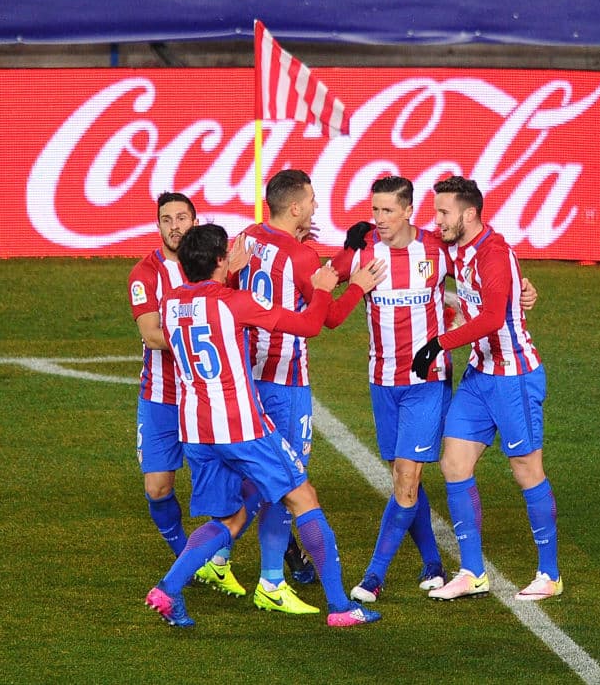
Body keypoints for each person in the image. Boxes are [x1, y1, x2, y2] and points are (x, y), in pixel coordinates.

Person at [145, 223, 381, 628]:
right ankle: (341, 607)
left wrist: (228, 273)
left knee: (229, 520)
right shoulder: (236, 303)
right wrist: (323, 289)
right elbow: (309, 326)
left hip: (196, 430)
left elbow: (202, 305)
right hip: (242, 427)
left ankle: (167, 589)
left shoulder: (168, 303)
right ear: (221, 260)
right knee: (303, 498)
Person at [233, 169, 386, 615]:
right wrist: (358, 285)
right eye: (313, 201)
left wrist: (345, 253)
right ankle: (270, 579)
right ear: (296, 207)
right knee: (287, 481)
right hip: (285, 382)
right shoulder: (300, 255)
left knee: (259, 474)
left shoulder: (247, 236)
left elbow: (307, 278)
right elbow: (328, 315)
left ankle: (220, 558)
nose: (317, 207)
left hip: (248, 375)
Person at [411, 175, 562, 601]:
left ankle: (549, 574)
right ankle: (473, 572)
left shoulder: (494, 254)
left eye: (444, 212)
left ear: (469, 214)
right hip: (480, 374)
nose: (437, 220)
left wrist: (438, 344)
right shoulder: (457, 248)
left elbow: (494, 318)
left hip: (514, 378)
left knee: (526, 469)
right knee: (454, 464)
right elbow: (411, 237)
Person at [330, 175, 453, 603]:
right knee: (404, 476)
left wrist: (521, 291)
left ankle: (373, 576)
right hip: (382, 381)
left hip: (426, 381)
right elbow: (320, 284)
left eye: (387, 211)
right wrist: (341, 261)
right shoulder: (363, 250)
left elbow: (479, 278)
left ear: (408, 211)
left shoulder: (436, 249)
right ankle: (433, 562)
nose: (379, 218)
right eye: (375, 210)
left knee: (406, 478)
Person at [127, 192, 245, 597]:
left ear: (195, 221)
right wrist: (201, 332)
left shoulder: (215, 267)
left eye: (181, 218)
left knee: (228, 485)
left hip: (205, 397)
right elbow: (151, 335)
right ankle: (190, 560)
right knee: (157, 488)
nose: (174, 226)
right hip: (160, 396)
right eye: (166, 219)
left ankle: (233, 561)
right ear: (157, 225)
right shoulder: (145, 274)